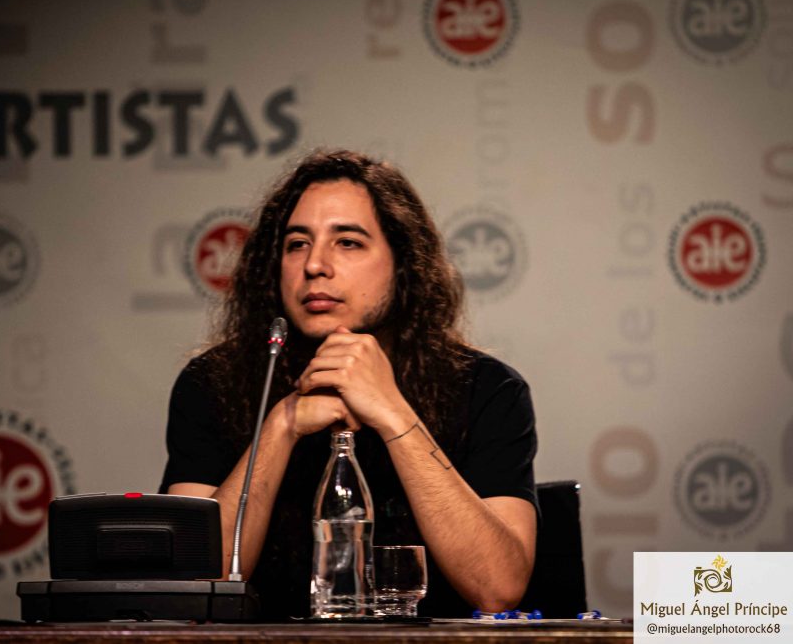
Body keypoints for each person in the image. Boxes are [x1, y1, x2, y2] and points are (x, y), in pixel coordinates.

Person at [159, 149, 537, 620]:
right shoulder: (212, 383)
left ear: (403, 263)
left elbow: (498, 588)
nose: (315, 265)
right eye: (297, 244)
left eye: (348, 243)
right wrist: (281, 425)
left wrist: (393, 413)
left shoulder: (487, 388)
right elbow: (192, 584)